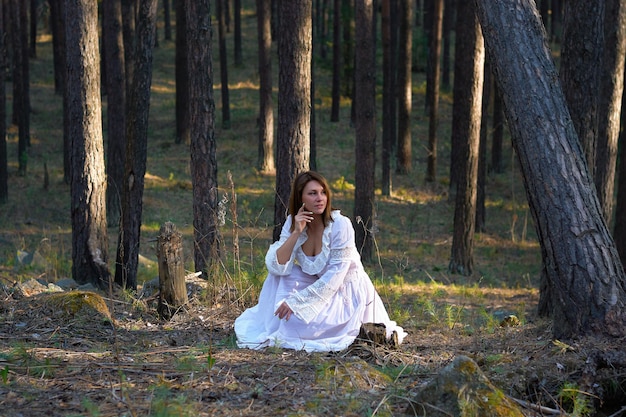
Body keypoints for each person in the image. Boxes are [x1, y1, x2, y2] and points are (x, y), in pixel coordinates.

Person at [234, 171, 407, 352]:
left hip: (346, 294)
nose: (320, 198)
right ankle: (278, 323)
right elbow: (277, 265)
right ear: (300, 198)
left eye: (323, 192)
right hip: (318, 285)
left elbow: (335, 277)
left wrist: (298, 302)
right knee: (278, 276)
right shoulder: (293, 222)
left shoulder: (341, 224)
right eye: (312, 193)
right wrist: (296, 232)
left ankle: (290, 325)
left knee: (294, 323)